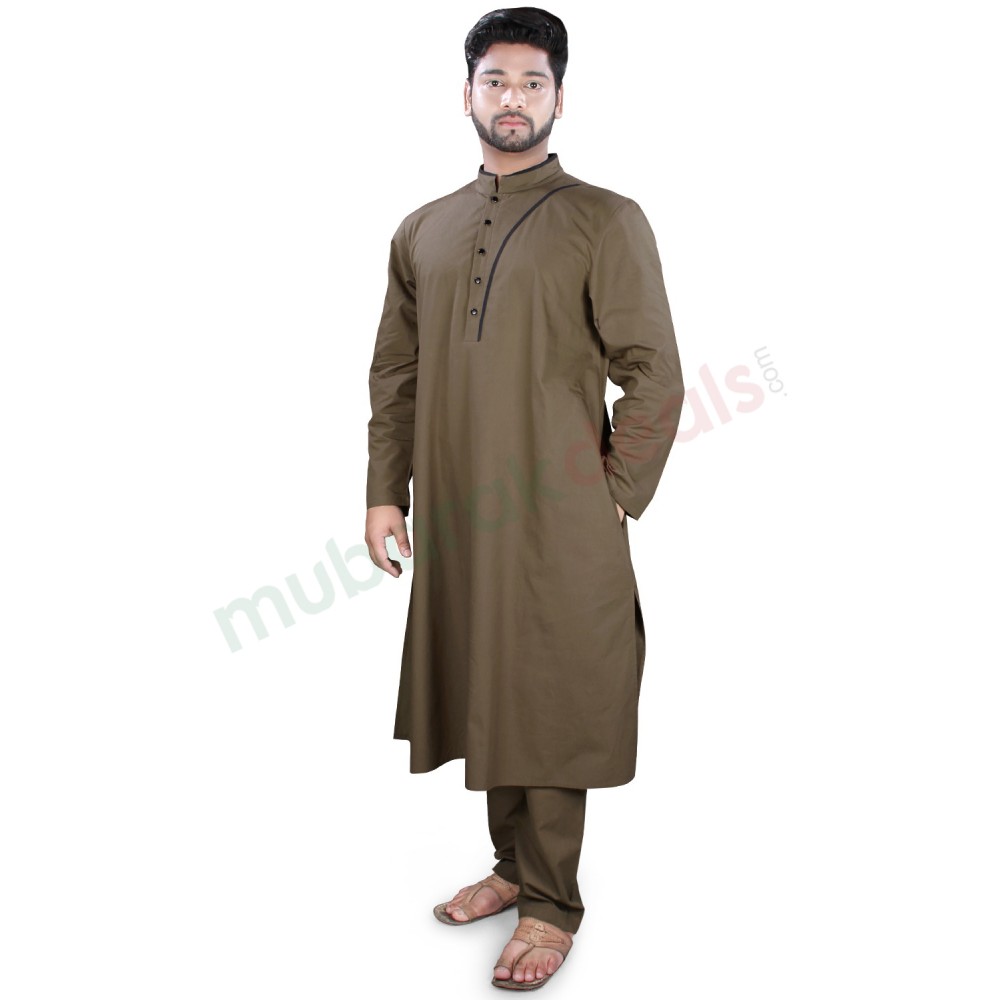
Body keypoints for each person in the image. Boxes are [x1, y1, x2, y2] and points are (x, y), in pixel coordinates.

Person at [364, 7, 684, 990]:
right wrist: (384, 493)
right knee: (485, 680)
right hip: (459, 515)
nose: (513, 97)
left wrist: (612, 494)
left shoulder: (604, 218)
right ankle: (511, 867)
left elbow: (654, 372)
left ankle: (551, 902)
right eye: (496, 80)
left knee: (551, 690)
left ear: (559, 98)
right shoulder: (423, 228)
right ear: (466, 93)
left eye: (532, 82)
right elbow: (396, 373)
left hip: (560, 514)